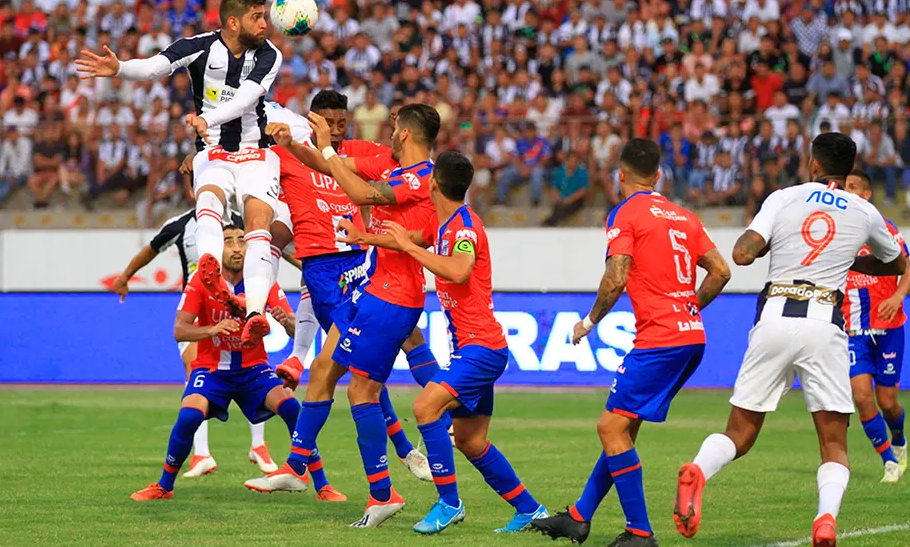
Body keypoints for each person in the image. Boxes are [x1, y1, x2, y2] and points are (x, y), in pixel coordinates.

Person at [674, 133, 907, 546]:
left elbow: (744, 253)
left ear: (812, 164)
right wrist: (850, 256)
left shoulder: (784, 197)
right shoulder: (864, 210)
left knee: (739, 434)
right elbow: (896, 264)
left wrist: (770, 244)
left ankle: (699, 470)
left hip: (775, 316)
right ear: (847, 169)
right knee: (834, 443)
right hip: (825, 322)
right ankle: (824, 522)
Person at [249, 104, 441, 528]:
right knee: (325, 371)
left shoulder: (418, 175)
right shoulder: (384, 162)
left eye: (394, 128)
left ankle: (414, 451)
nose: (388, 133)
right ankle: (304, 468)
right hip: (373, 286)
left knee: (361, 388)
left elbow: (362, 195)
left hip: (391, 294)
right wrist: (301, 145)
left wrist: (362, 232)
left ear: (405, 134)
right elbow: (330, 163)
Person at [339, 151, 551, 534]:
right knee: (471, 441)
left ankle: (448, 503)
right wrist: (365, 237)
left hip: (481, 348)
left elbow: (458, 267)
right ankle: (530, 509)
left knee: (424, 407)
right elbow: (410, 238)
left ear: (433, 182)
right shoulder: (445, 223)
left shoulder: (464, 227)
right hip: (476, 348)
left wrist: (411, 249)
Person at [532, 139, 731, 547]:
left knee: (609, 427)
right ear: (658, 175)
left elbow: (616, 277)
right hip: (691, 335)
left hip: (660, 337)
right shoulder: (682, 216)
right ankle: (578, 516)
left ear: (619, 174)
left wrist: (588, 322)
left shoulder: (625, 212)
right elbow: (721, 271)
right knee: (623, 427)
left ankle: (640, 532)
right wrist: (690, 305)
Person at [76, 0, 284, 346]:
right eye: (257, 17)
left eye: (264, 16)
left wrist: (209, 117)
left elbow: (249, 95)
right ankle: (211, 273)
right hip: (213, 149)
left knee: (258, 224)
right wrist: (120, 69)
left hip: (255, 150)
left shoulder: (270, 55)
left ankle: (253, 315)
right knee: (208, 204)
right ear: (233, 22)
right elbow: (156, 65)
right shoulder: (200, 46)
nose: (265, 23)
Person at [130, 224, 342, 501]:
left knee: (291, 407)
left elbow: (295, 330)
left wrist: (286, 320)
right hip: (211, 369)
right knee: (189, 416)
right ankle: (164, 485)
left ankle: (323, 485)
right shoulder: (200, 281)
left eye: (242, 241)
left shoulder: (264, 280)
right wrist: (211, 330)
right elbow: (179, 330)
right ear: (217, 248)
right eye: (228, 241)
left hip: (253, 370)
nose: (236, 248)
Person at [110, 209, 279, 478]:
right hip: (199, 309)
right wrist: (125, 275)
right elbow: (152, 249)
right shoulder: (180, 224)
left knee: (251, 365)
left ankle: (258, 445)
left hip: (244, 299)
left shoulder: (243, 216)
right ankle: (201, 453)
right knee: (195, 366)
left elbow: (275, 245)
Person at [842, 170, 908, 481]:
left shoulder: (885, 230)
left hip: (889, 327)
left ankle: (899, 439)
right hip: (854, 329)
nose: (848, 192)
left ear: (867, 195)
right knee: (862, 397)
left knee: (888, 402)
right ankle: (889, 463)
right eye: (845, 187)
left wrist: (897, 295)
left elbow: (907, 268)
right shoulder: (838, 233)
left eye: (853, 187)